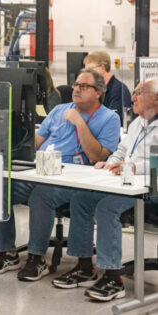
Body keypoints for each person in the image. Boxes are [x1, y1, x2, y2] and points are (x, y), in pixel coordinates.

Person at [0, 69, 121, 275]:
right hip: (42, 169)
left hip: (74, 178)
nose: (76, 89)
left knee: (42, 195)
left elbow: (97, 156)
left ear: (98, 92)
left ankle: (36, 257)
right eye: (76, 84)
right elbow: (35, 143)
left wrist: (79, 122)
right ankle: (7, 252)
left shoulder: (109, 118)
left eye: (84, 86)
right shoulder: (59, 110)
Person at [49, 78, 158, 302]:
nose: (133, 97)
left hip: (151, 190)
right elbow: (122, 149)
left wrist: (134, 167)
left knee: (107, 208)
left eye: (139, 92)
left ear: (156, 98)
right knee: (81, 198)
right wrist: (110, 162)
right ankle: (85, 266)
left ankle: (112, 277)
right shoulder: (137, 122)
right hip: (128, 184)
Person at [84, 51, 132, 124]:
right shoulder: (97, 89)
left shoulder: (118, 89)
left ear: (102, 68)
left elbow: (113, 119)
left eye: (90, 70)